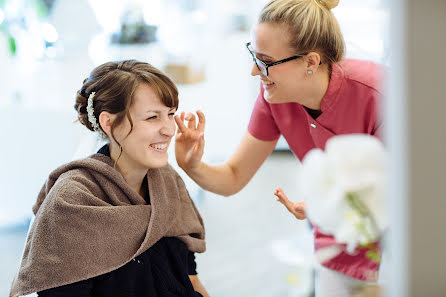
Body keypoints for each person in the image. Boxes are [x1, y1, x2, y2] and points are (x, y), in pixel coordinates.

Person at [174, 0, 383, 296]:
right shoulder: (273, 97)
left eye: (265, 61)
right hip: (336, 243)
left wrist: (334, 206)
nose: (254, 72)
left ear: (311, 62)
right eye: (253, 55)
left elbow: (410, 192)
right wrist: (193, 165)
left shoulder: (378, 93)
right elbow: (233, 176)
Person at [10, 60, 209, 297]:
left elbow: (191, 279)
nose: (169, 129)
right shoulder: (72, 201)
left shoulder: (168, 182)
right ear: (109, 122)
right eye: (152, 117)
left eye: (170, 114)